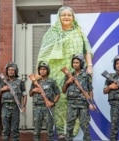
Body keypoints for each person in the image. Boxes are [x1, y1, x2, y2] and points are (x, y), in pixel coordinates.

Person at [36, 6, 93, 136]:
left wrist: (89, 66)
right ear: (59, 18)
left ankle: (73, 131)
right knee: (60, 97)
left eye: (69, 15)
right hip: (56, 71)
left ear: (73, 18)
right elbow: (43, 54)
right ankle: (61, 131)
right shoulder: (51, 33)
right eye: (63, 15)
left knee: (76, 98)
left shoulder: (79, 32)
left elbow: (87, 50)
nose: (66, 17)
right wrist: (41, 71)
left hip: (76, 71)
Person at [62, 54, 95, 141]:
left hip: (83, 104)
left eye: (77, 62)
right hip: (71, 104)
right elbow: (63, 90)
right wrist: (67, 82)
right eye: (73, 62)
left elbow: (90, 90)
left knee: (85, 126)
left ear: (81, 63)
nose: (75, 64)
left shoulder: (86, 76)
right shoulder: (68, 75)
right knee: (69, 126)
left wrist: (91, 103)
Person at [29, 61, 60, 141]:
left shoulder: (51, 81)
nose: (42, 71)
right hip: (37, 108)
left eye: (44, 69)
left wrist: (53, 102)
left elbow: (58, 94)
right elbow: (30, 94)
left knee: (50, 130)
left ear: (47, 70)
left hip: (47, 108)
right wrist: (33, 90)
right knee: (36, 131)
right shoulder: (35, 81)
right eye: (41, 69)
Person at [0, 62, 27, 141]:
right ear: (7, 71)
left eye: (13, 70)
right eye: (9, 70)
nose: (10, 71)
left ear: (16, 71)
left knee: (15, 130)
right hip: (5, 108)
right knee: (5, 130)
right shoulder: (2, 81)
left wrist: (23, 106)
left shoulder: (20, 82)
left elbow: (24, 95)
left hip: (15, 108)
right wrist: (2, 89)